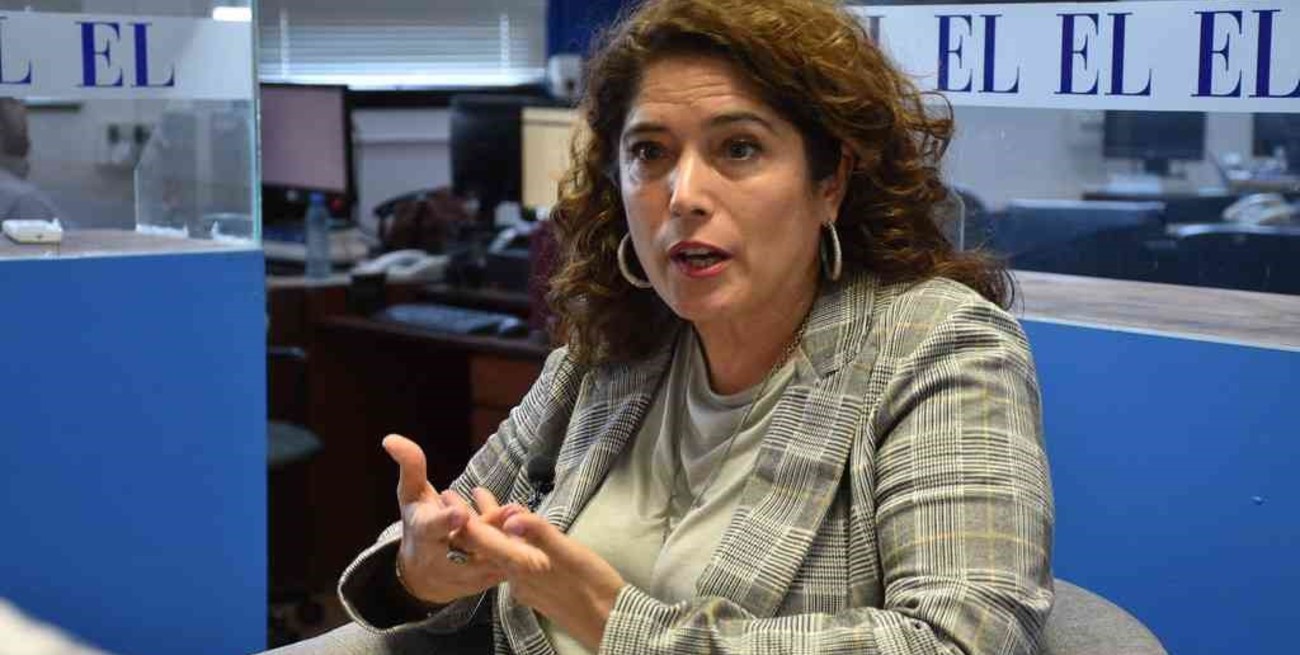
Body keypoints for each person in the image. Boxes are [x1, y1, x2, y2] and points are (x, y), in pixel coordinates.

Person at [266, 0, 1053, 653]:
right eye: (650, 152)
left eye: (739, 148)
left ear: (831, 181)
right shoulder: (612, 349)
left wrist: (609, 620)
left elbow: (963, 638)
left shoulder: (939, 346)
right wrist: (422, 571)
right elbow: (454, 528)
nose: (682, 195)